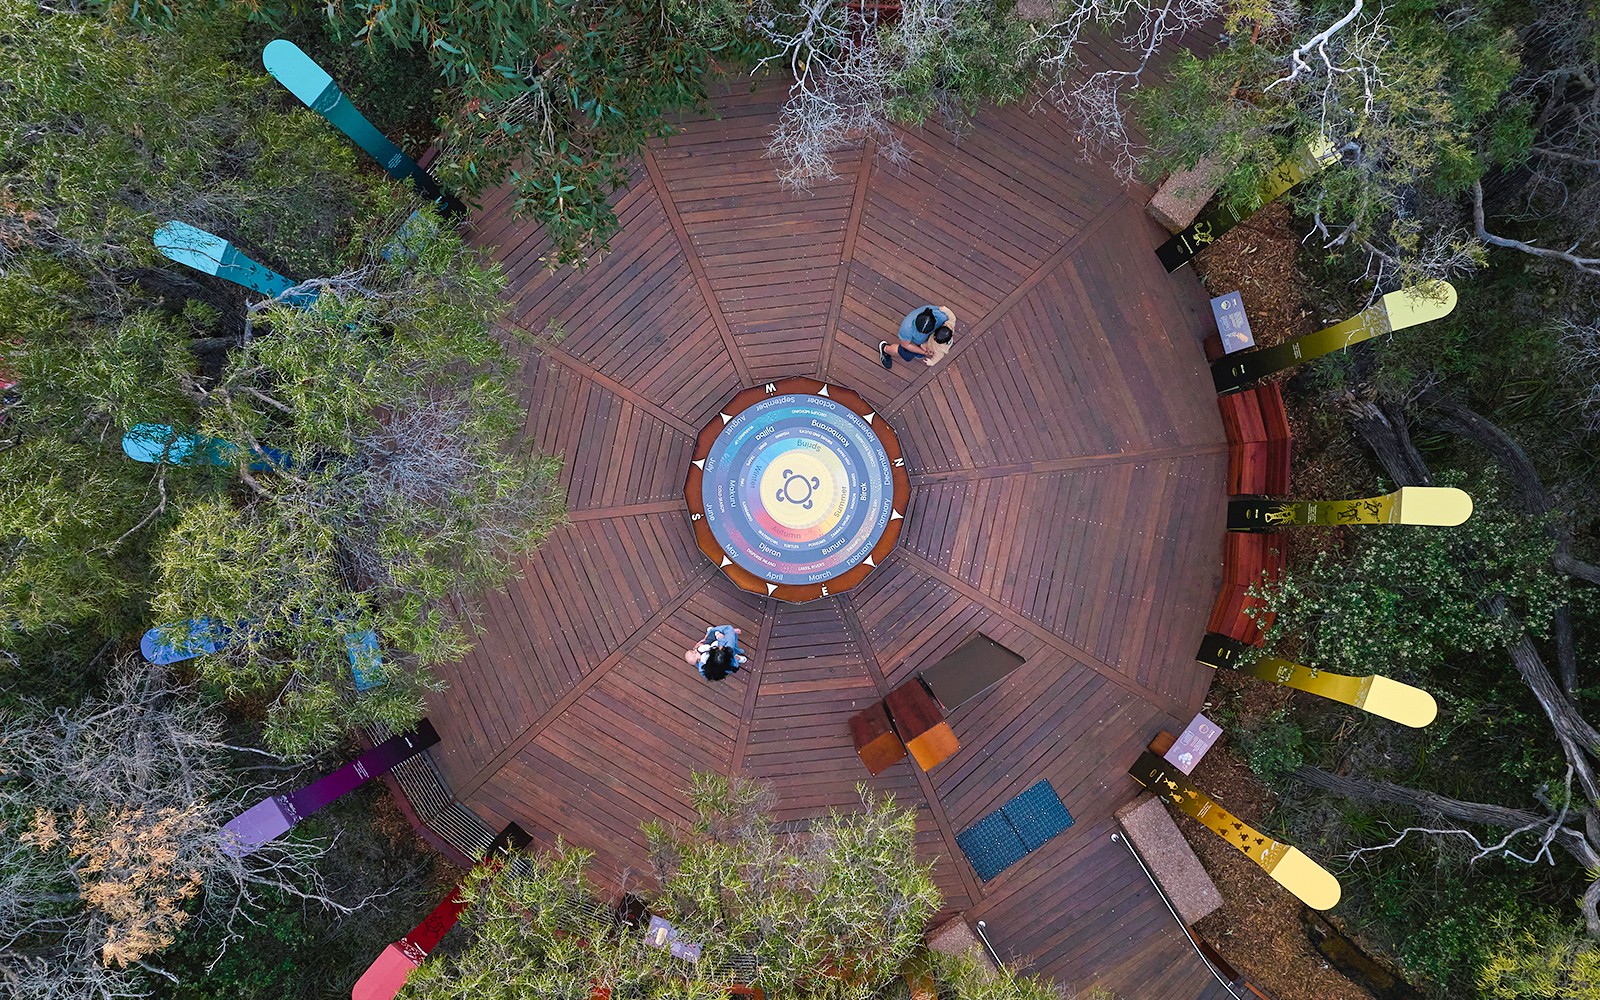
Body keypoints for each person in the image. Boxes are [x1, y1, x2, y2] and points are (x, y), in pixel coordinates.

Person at [880, 305, 956, 369]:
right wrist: (924, 352)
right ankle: (885, 349)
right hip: (915, 344)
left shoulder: (942, 316)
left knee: (918, 355)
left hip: (929, 345)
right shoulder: (907, 328)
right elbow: (905, 344)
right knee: (904, 353)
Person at [683, 625, 748, 681]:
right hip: (721, 649)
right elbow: (728, 629)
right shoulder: (727, 647)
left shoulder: (703, 667)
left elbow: (706, 645)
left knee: (711, 636)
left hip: (717, 652)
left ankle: (712, 631)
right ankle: (737, 658)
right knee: (732, 655)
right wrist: (720, 638)